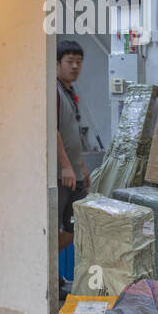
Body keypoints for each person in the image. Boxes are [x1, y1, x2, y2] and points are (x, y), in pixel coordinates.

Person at [56, 40, 89, 254]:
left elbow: (73, 135)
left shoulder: (70, 92)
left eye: (79, 62)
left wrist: (82, 168)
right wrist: (66, 166)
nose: (75, 66)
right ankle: (46, 274)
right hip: (61, 176)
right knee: (54, 228)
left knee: (74, 228)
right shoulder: (54, 92)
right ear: (57, 64)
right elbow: (52, 130)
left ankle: (49, 269)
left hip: (75, 175)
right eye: (69, 61)